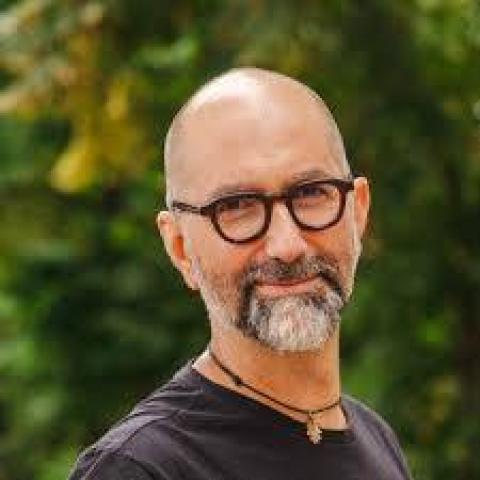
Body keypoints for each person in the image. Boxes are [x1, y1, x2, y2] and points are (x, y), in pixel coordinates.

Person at [69, 67, 412, 479]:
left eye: (310, 193)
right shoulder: (141, 468)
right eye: (236, 206)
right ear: (180, 248)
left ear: (357, 212)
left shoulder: (376, 439)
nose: (287, 245)